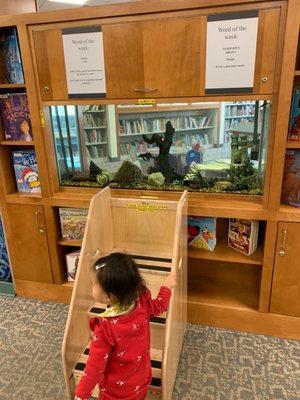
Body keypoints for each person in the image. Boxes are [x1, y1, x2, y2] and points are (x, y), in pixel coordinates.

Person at [74, 252, 176, 400]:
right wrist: (166, 286)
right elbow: (159, 305)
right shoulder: (141, 302)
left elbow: (94, 367)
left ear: (108, 296)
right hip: (141, 381)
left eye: (93, 285)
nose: (91, 288)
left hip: (115, 393)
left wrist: (80, 395)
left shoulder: (105, 328)